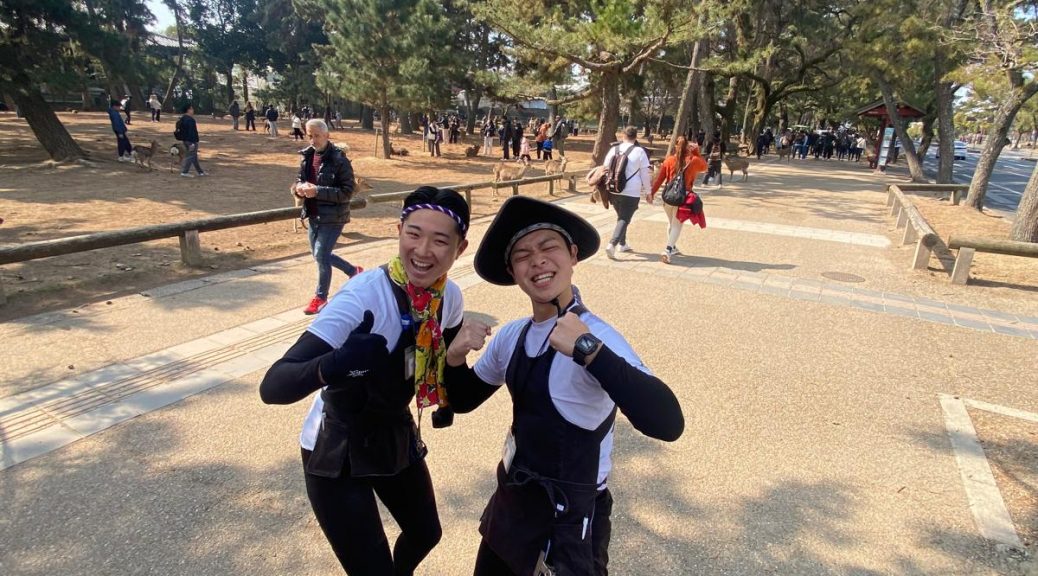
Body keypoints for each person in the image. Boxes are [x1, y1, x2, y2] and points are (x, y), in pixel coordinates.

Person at [442, 196, 685, 576]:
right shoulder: (513, 335)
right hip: (512, 502)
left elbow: (668, 423)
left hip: (569, 518)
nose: (537, 260)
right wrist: (454, 359)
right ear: (512, 271)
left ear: (572, 255)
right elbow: (463, 399)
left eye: (548, 247)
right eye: (522, 255)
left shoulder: (598, 337)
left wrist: (589, 350)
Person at [260, 186, 472, 575]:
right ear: (398, 231)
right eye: (413, 234)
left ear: (460, 249)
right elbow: (274, 385)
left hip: (393, 428)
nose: (423, 251)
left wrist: (454, 369)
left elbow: (443, 366)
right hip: (337, 444)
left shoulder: (449, 297)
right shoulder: (362, 297)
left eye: (440, 240)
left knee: (426, 533)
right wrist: (338, 362)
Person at [292, 119, 363, 315]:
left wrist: (318, 191)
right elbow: (299, 180)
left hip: (334, 217)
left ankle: (321, 298)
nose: (313, 140)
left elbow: (346, 192)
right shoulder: (307, 157)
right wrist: (298, 189)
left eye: (316, 135)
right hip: (313, 214)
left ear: (326, 136)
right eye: (309, 135)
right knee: (318, 254)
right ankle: (353, 271)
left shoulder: (340, 159)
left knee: (322, 255)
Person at [648, 136, 708, 264]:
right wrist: (696, 152)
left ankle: (673, 246)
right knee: (677, 225)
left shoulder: (669, 160)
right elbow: (705, 167)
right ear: (688, 147)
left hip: (668, 197)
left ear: (675, 146)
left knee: (671, 223)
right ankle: (668, 250)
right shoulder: (694, 160)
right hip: (683, 198)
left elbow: (660, 179)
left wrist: (652, 193)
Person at [601, 126, 651, 259]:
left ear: (623, 135)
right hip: (631, 191)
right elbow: (645, 174)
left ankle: (622, 244)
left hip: (613, 188)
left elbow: (605, 168)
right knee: (624, 218)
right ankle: (612, 244)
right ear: (636, 137)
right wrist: (648, 192)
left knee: (621, 217)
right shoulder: (640, 151)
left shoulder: (614, 149)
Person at [177, 103, 206, 177]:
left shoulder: (182, 118)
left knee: (194, 156)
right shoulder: (190, 120)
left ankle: (200, 172)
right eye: (192, 109)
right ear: (188, 110)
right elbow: (191, 132)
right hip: (191, 141)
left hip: (185, 140)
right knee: (191, 156)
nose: (193, 110)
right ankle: (184, 172)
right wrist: (192, 143)